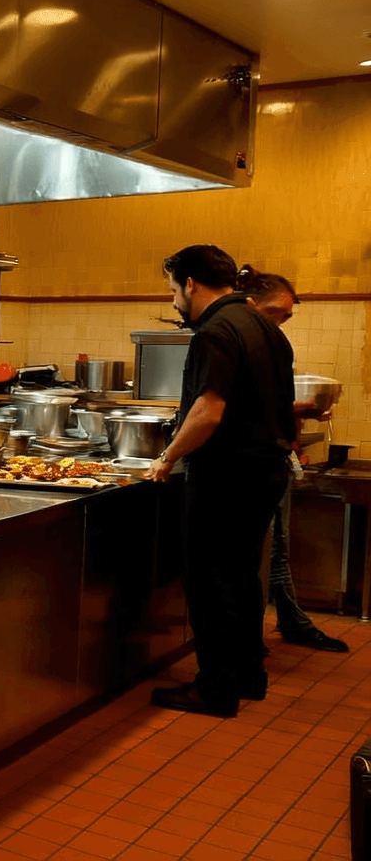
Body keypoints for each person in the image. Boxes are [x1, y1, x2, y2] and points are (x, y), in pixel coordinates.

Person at [147, 245, 297, 717]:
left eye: (174, 289)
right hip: (265, 473)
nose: (174, 300)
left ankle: (215, 689)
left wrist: (166, 458)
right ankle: (249, 674)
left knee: (211, 582)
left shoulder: (216, 331)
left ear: (191, 284)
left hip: (226, 477)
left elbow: (209, 412)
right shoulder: (267, 330)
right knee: (242, 579)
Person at [237, 266, 347, 653]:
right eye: (274, 314)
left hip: (273, 460)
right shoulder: (236, 340)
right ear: (247, 304)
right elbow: (233, 407)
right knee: (263, 552)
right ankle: (261, 633)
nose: (280, 323)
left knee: (276, 547)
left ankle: (286, 622)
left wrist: (296, 422)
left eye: (285, 316)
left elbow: (264, 404)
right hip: (248, 466)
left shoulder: (271, 345)